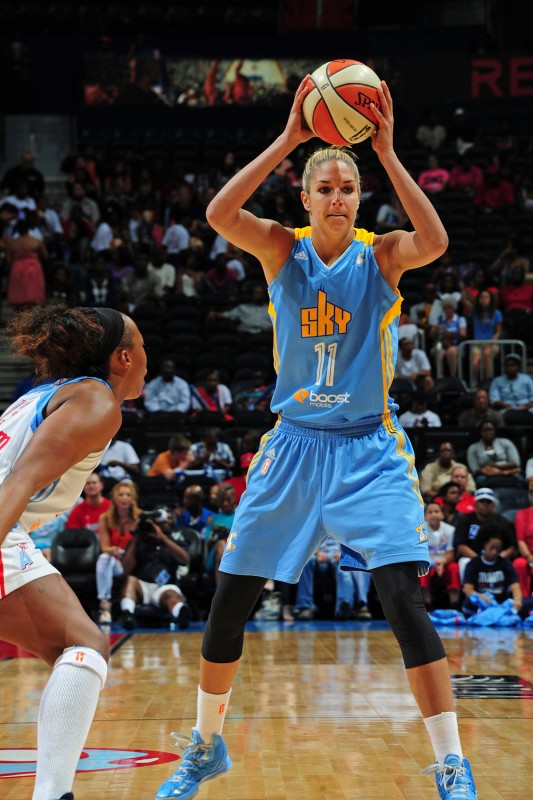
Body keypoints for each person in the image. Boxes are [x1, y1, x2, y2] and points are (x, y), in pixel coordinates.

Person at [154, 77, 478, 800]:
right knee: (230, 600)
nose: (336, 197)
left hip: (369, 448)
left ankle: (451, 761)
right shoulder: (280, 248)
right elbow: (216, 211)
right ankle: (206, 747)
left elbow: (436, 240)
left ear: (358, 198)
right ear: (304, 196)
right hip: (294, 445)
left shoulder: (382, 253)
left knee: (400, 596)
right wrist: (290, 140)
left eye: (346, 187)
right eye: (323, 186)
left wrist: (387, 153)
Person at [0, 302, 146, 800]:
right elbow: (19, 479)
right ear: (123, 358)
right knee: (84, 646)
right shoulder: (96, 402)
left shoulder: (46, 395)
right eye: (144, 346)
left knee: (70, 648)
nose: (149, 356)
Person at [119, 509, 192, 630]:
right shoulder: (140, 541)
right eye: (164, 520)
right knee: (130, 580)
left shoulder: (176, 539)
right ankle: (127, 615)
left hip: (165, 586)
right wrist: (136, 537)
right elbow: (126, 568)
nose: (167, 522)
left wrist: (163, 538)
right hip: (142, 585)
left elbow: (184, 559)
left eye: (169, 518)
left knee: (171, 595)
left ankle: (181, 614)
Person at [462, 527, 533, 620]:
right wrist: (480, 597)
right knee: (469, 601)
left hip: (503, 604)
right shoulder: (473, 564)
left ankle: (498, 615)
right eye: (492, 548)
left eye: (498, 549)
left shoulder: (505, 563)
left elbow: (515, 586)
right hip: (483, 603)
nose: (494, 552)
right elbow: (468, 591)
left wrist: (517, 600)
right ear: (484, 544)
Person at [96, 480, 140, 624]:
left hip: (133, 561)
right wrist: (112, 550)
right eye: (121, 494)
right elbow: (104, 546)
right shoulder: (105, 518)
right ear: (115, 498)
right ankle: (105, 604)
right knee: (104, 558)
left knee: (106, 560)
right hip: (115, 561)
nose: (124, 498)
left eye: (128, 495)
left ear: (133, 499)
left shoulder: (139, 517)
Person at [453, 487, 516, 581]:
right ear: (475, 503)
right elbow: (460, 545)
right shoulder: (465, 520)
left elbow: (512, 546)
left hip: (497, 558)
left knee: (507, 564)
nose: (485, 504)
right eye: (482, 501)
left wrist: (499, 558)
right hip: (472, 557)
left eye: (488, 502)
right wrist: (480, 559)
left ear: (493, 505)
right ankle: (468, 592)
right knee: (464, 562)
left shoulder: (502, 522)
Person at [419, 501, 460, 611]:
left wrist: (442, 562)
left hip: (444, 562)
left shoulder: (450, 530)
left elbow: (451, 553)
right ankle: (427, 605)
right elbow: (419, 553)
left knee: (454, 568)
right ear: (425, 516)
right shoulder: (420, 531)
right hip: (427, 562)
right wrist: (432, 563)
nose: (433, 514)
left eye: (436, 511)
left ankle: (454, 604)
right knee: (422, 569)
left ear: (442, 514)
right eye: (430, 512)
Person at [488, 353, 533, 426]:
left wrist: (529, 405)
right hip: (505, 408)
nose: (510, 367)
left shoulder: (527, 379)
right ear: (504, 367)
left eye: (513, 365)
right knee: (495, 416)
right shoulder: (497, 381)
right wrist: (504, 405)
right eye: (508, 365)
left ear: (519, 367)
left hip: (526, 407)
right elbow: (494, 399)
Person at [513, 486, 533, 598]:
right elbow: (520, 540)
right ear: (530, 497)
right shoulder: (523, 514)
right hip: (528, 556)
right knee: (519, 563)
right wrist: (528, 555)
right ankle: (524, 599)